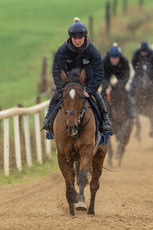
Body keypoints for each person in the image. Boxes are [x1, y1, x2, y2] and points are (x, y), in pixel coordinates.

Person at [42, 17, 112, 132]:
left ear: (85, 37)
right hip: (67, 84)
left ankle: (106, 120)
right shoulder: (62, 50)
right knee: (55, 96)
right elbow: (56, 70)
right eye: (75, 38)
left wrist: (90, 90)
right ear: (71, 37)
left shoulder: (92, 51)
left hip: (87, 83)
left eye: (80, 38)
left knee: (98, 97)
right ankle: (48, 120)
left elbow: (99, 72)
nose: (78, 41)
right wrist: (61, 88)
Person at [102, 43, 136, 119]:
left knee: (125, 92)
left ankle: (131, 111)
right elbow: (102, 76)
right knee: (103, 93)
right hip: (107, 74)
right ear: (109, 57)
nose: (114, 60)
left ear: (119, 57)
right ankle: (100, 112)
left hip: (120, 74)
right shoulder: (104, 61)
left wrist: (119, 85)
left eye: (116, 58)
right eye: (112, 58)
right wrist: (107, 86)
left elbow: (126, 76)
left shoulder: (124, 61)